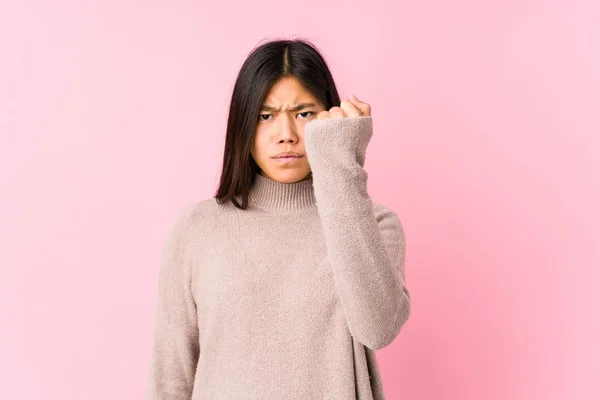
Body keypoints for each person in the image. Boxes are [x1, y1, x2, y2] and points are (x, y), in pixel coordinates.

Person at [146, 38, 411, 400]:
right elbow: (170, 377)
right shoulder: (197, 229)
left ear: (328, 119)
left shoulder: (375, 225)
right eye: (265, 116)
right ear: (243, 125)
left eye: (304, 114)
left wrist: (339, 163)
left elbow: (378, 327)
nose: (285, 135)